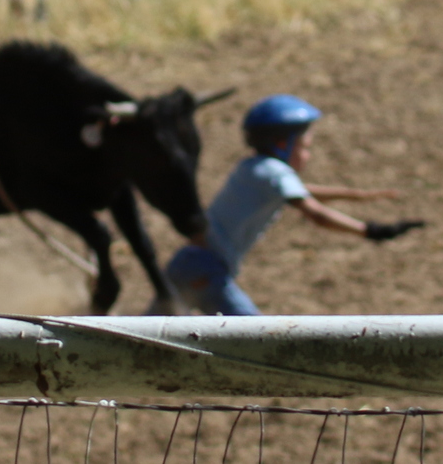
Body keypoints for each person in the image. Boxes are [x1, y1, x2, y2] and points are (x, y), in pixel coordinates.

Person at [154, 94, 424, 315]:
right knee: (256, 341)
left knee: (142, 345)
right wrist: (370, 230)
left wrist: (357, 195)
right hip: (208, 269)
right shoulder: (274, 172)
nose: (307, 154)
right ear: (282, 144)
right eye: (304, 146)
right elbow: (316, 213)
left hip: (185, 263)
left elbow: (301, 192)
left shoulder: (252, 167)